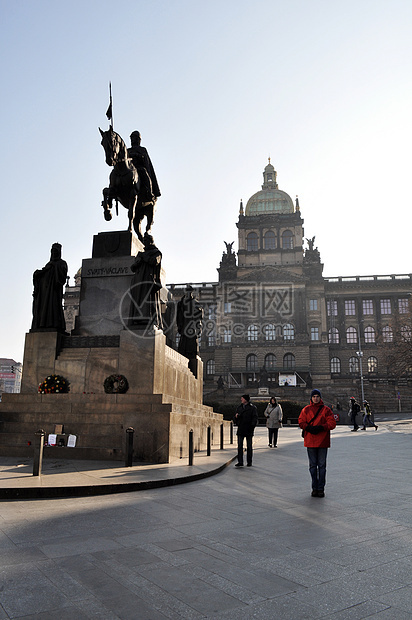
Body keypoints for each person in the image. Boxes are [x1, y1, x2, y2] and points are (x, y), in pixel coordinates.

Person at [298, 389, 336, 497]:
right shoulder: (306, 410)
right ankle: (314, 487)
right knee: (313, 466)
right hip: (310, 441)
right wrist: (308, 427)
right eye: (314, 396)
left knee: (322, 466)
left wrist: (321, 427)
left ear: (320, 398)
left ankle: (321, 488)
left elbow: (332, 423)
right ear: (311, 398)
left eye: (317, 396)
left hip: (322, 441)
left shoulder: (326, 410)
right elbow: (301, 422)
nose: (315, 398)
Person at [31, 243, 68, 332]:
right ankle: (42, 324)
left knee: (54, 308)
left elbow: (61, 278)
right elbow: (43, 274)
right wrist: (38, 274)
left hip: (53, 292)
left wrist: (54, 268)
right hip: (44, 293)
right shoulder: (49, 264)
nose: (54, 253)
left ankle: (53, 324)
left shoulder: (62, 263)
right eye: (52, 251)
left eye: (55, 251)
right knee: (43, 310)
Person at [129, 233, 162, 328]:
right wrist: (137, 263)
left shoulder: (156, 252)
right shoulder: (140, 254)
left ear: (150, 242)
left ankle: (148, 319)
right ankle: (138, 319)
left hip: (148, 280)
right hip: (139, 281)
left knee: (147, 301)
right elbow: (133, 267)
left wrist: (144, 257)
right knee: (138, 300)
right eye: (143, 242)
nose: (144, 244)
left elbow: (155, 261)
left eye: (146, 241)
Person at [128, 131, 161, 205]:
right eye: (132, 138)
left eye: (134, 138)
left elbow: (145, 160)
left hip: (139, 168)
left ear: (138, 139)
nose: (133, 139)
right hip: (130, 169)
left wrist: (137, 155)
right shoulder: (128, 150)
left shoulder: (142, 149)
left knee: (144, 172)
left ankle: (149, 192)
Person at [234, 394, 258, 467]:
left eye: (242, 398)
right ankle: (240, 461)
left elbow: (255, 418)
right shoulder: (239, 407)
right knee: (240, 446)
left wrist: (252, 426)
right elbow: (235, 418)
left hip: (248, 429)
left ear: (246, 399)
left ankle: (249, 461)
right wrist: (236, 418)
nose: (241, 399)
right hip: (241, 429)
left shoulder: (252, 408)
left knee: (249, 446)